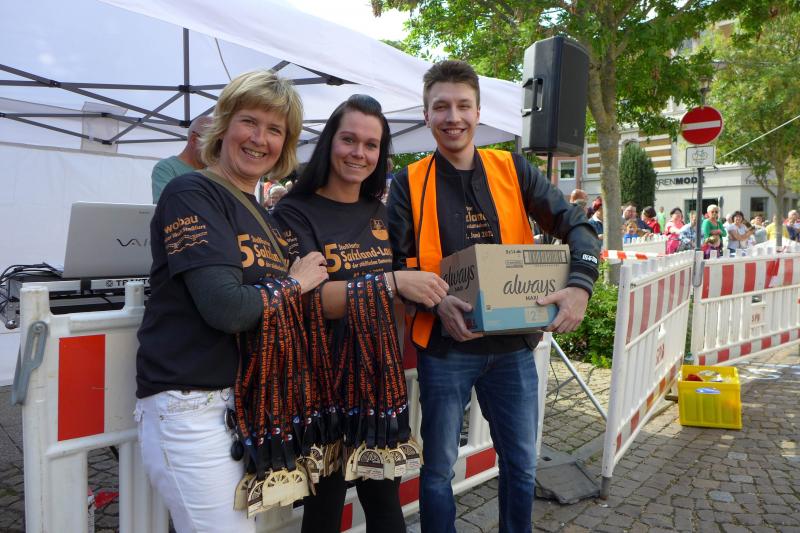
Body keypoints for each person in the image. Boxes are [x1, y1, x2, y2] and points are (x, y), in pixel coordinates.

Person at [386, 60, 600, 533]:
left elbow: (578, 226)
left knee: (521, 465)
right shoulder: (407, 183)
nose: (453, 117)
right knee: (438, 471)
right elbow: (396, 265)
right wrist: (435, 301)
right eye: (441, 107)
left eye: (463, 106)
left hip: (512, 348)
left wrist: (581, 285)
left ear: (478, 112)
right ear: (426, 114)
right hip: (444, 349)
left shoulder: (512, 169)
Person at [135, 70, 329, 533]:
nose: (260, 139)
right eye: (249, 122)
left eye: (275, 129)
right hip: (190, 405)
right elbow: (227, 308)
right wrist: (295, 283)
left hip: (241, 406)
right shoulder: (191, 192)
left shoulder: (262, 213)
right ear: (223, 126)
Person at [274, 94, 448, 533]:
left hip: (376, 380)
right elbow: (309, 299)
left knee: (386, 510)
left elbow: (404, 286)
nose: (359, 153)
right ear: (330, 142)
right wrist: (391, 283)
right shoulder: (294, 211)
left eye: (371, 145)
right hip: (321, 384)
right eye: (349, 140)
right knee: (324, 512)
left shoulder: (379, 212)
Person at [150, 116, 213, 202]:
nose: (217, 151)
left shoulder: (215, 170)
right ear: (194, 139)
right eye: (212, 144)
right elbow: (166, 206)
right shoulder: (167, 168)